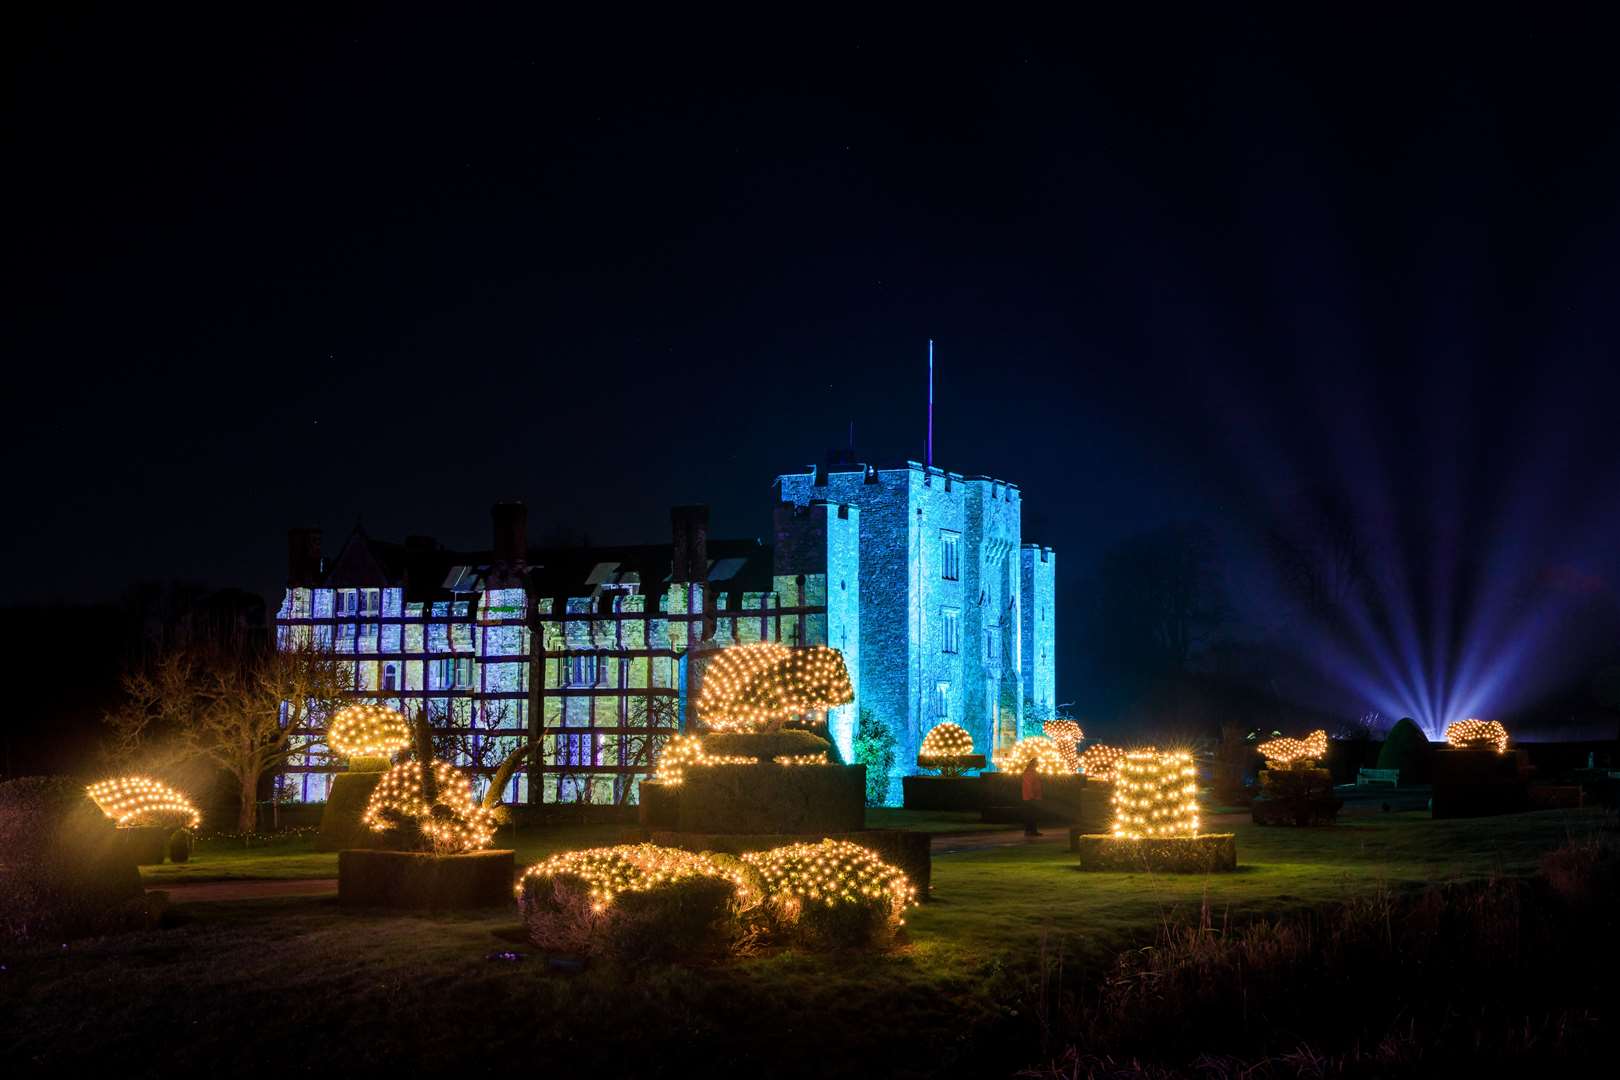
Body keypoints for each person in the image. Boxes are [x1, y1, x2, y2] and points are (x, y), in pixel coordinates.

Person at [1021, 757, 1044, 837]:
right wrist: (1032, 795)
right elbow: (1028, 784)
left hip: (1032, 797)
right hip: (1031, 797)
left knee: (1032, 814)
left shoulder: (1031, 771)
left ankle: (1032, 830)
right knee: (1031, 814)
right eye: (1037, 762)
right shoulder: (1030, 772)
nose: (1039, 764)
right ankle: (1030, 831)